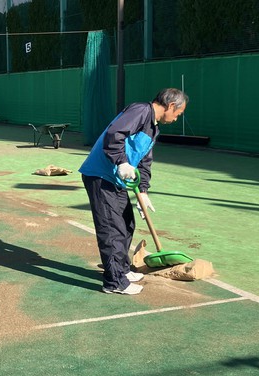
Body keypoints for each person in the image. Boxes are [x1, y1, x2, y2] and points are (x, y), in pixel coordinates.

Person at [79, 88, 188, 295]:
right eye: (178, 114)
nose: (176, 119)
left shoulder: (153, 128)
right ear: (171, 106)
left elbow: (145, 161)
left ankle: (121, 269)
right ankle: (114, 282)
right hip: (101, 176)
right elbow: (114, 133)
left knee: (127, 223)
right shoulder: (140, 111)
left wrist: (144, 191)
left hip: (117, 179)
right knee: (112, 228)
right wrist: (121, 162)